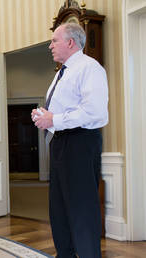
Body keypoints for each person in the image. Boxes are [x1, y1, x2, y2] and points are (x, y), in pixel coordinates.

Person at [31, 23, 108, 258]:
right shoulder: (60, 73)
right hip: (61, 143)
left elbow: (95, 112)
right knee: (60, 209)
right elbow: (62, 110)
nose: (50, 45)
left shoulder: (90, 68)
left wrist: (54, 119)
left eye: (54, 40)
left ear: (70, 42)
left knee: (81, 209)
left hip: (80, 142)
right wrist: (44, 116)